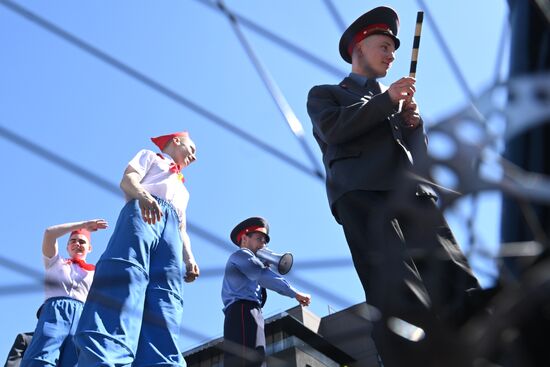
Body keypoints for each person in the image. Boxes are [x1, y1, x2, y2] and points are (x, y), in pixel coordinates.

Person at [306, 6, 480, 367]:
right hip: (365, 196)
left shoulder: (393, 103)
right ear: (359, 48)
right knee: (398, 293)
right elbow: (335, 130)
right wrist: (387, 102)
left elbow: (420, 161)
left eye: (394, 49)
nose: (391, 55)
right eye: (384, 46)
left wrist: (413, 126)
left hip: (415, 198)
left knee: (456, 281)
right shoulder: (326, 95)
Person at [75, 131, 199, 366]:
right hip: (144, 210)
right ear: (177, 141)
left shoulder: (184, 190)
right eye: (192, 148)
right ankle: (106, 354)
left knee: (166, 293)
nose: (194, 156)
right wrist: (143, 196)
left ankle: (160, 361)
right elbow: (128, 180)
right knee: (127, 273)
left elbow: (183, 228)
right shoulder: (151, 157)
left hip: (171, 228)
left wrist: (189, 258)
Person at [222, 217, 311, 367]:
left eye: (265, 241)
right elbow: (262, 276)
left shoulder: (248, 261)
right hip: (244, 311)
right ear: (244, 238)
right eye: (259, 239)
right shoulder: (242, 255)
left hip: (248, 312)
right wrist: (294, 293)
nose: (263, 245)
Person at [20, 219, 108, 367]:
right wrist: (83, 225)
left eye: (82, 241)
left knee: (74, 361)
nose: (77, 243)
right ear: (67, 246)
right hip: (55, 312)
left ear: (90, 248)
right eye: (73, 241)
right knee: (42, 356)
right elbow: (49, 233)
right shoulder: (55, 262)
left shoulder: (95, 272)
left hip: (82, 316)